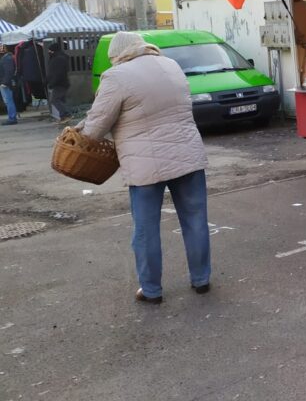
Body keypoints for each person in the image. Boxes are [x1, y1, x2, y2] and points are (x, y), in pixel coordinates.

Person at [77, 31, 210, 304]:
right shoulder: (170, 64)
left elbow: (95, 129)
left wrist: (79, 130)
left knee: (146, 230)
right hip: (188, 155)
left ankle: (151, 290)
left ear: (118, 55)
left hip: (145, 165)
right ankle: (201, 279)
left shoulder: (116, 76)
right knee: (195, 220)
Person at [46, 42, 72, 123]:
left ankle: (66, 115)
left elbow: (58, 73)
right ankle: (63, 117)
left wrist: (52, 83)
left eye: (50, 50)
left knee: (55, 100)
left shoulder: (58, 59)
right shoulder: (58, 58)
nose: (49, 52)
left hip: (59, 83)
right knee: (61, 100)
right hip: (62, 83)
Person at [1, 44, 17, 126]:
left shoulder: (7, 58)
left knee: (8, 101)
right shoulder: (8, 57)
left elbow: (9, 71)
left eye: (3, 47)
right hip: (5, 82)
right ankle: (12, 117)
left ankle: (12, 118)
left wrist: (5, 82)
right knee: (8, 100)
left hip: (5, 83)